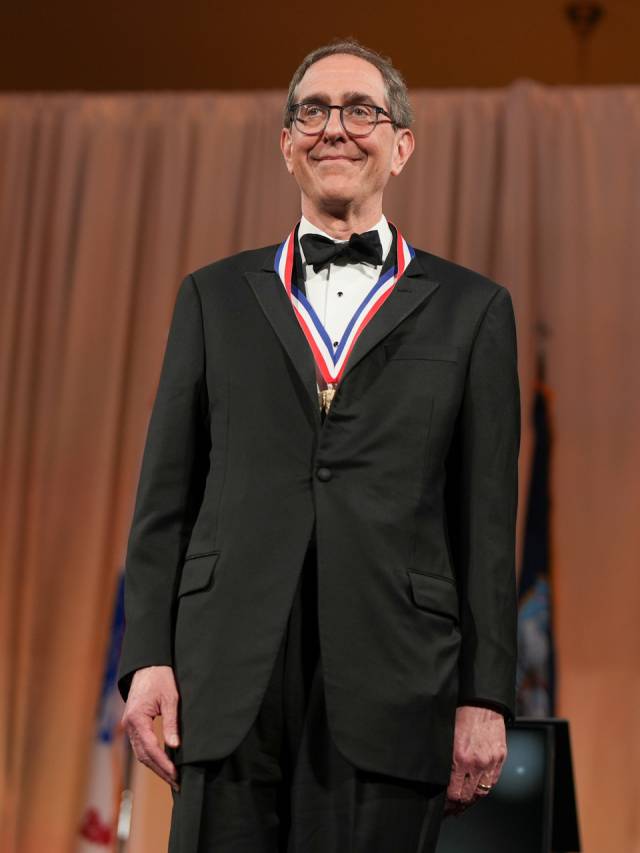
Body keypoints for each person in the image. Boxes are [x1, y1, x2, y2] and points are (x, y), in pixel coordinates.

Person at [117, 38, 520, 853]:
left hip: (398, 680)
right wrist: (147, 657)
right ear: (286, 145)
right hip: (225, 678)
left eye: (361, 110)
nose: (335, 128)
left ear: (401, 145)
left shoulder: (473, 310)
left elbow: (484, 521)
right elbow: (165, 499)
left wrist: (485, 695)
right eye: (312, 111)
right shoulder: (213, 296)